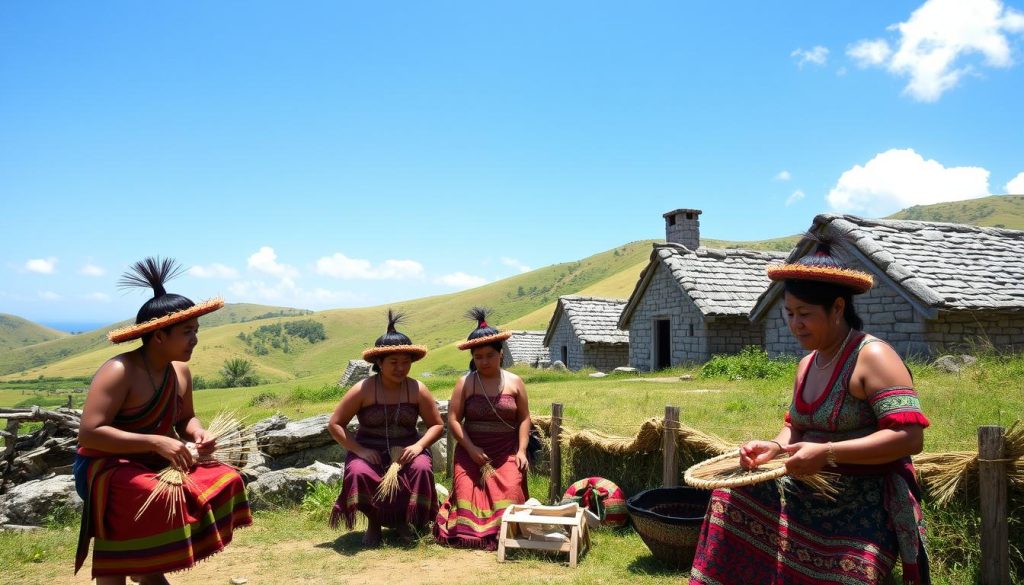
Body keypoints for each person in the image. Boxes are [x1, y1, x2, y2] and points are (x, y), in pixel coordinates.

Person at [689, 236, 931, 585]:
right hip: (808, 485)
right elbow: (796, 427)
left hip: (865, 496)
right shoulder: (806, 364)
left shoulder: (873, 357)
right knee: (729, 496)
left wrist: (828, 453)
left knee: (849, 571)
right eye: (789, 314)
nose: (795, 324)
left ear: (837, 308)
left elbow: (910, 437)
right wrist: (774, 447)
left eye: (805, 314)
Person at [74, 258, 252, 584]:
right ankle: (137, 572)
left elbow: (186, 419)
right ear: (158, 336)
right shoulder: (119, 371)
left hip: (156, 459)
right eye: (187, 332)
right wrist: (155, 441)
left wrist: (198, 433)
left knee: (225, 479)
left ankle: (148, 571)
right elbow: (90, 434)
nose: (195, 339)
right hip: (105, 466)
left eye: (196, 331)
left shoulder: (180, 371)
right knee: (149, 494)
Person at [328, 310, 443, 546]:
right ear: (379, 363)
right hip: (369, 448)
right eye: (393, 362)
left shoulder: (418, 389)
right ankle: (374, 520)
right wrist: (359, 451)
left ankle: (404, 520)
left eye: (405, 362)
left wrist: (419, 446)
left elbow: (437, 426)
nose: (401, 368)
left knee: (420, 468)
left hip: (407, 448)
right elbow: (335, 424)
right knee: (359, 472)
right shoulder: (363, 389)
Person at [434, 307, 531, 550]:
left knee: (510, 490)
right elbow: (454, 420)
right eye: (478, 357)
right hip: (471, 452)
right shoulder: (465, 383)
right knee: (467, 493)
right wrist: (471, 448)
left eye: (489, 355)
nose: (484, 361)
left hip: (506, 451)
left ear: (501, 354)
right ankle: (472, 532)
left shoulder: (515, 382)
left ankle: (503, 531)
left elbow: (524, 419)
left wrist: (521, 451)